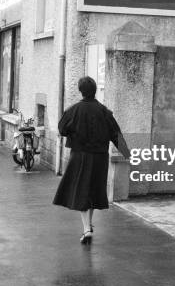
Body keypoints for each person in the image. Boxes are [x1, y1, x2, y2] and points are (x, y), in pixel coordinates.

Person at [53, 76, 130, 245]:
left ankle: (87, 228)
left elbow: (62, 129)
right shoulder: (104, 111)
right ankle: (89, 225)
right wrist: (128, 154)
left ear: (81, 91)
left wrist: (74, 133)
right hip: (100, 157)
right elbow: (116, 134)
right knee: (93, 190)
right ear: (95, 90)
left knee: (81, 190)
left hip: (80, 156)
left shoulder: (73, 110)